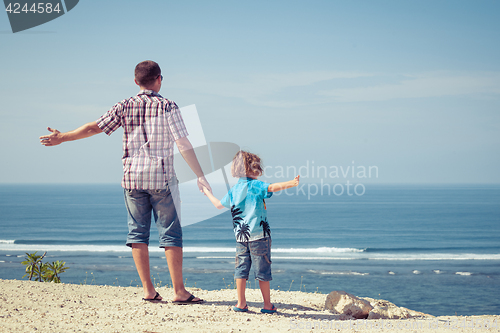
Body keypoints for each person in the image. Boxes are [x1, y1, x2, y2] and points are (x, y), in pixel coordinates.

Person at [40, 60, 210, 304]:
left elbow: (93, 128)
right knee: (171, 235)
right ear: (159, 79)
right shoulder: (168, 106)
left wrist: (63, 138)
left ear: (135, 81)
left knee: (138, 234)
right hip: (161, 179)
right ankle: (179, 292)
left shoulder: (125, 105)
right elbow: (182, 143)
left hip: (132, 178)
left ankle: (149, 291)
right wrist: (201, 176)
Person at [202, 151, 299, 313]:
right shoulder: (256, 185)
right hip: (259, 237)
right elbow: (272, 187)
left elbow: (219, 205)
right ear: (253, 168)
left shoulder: (234, 189)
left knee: (241, 269)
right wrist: (291, 182)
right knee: (262, 271)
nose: (259, 170)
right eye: (258, 167)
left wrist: (207, 192)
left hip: (241, 237)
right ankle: (267, 305)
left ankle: (241, 303)